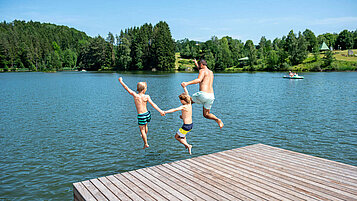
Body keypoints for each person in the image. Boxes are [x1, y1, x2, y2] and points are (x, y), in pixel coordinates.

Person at [118, 77, 165, 149]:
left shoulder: (135, 95)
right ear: (143, 90)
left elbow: (126, 88)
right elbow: (153, 104)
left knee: (142, 130)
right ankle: (144, 135)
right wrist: (160, 111)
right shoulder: (147, 96)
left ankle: (146, 143)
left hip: (141, 115)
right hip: (147, 114)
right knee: (146, 125)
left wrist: (121, 81)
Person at [181, 59, 224, 129]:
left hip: (203, 94)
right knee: (206, 114)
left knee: (186, 101)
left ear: (201, 65)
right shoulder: (211, 72)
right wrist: (195, 63)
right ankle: (218, 120)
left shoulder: (202, 71)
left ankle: (183, 116)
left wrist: (187, 83)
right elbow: (201, 69)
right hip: (211, 96)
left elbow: (199, 80)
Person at [164, 86, 193, 154]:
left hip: (186, 126)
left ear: (183, 100)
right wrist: (184, 87)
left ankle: (188, 145)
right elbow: (187, 94)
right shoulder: (189, 103)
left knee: (177, 137)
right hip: (190, 125)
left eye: (180, 100)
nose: (180, 101)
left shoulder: (184, 106)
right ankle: (186, 145)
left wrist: (165, 112)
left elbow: (174, 109)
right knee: (183, 136)